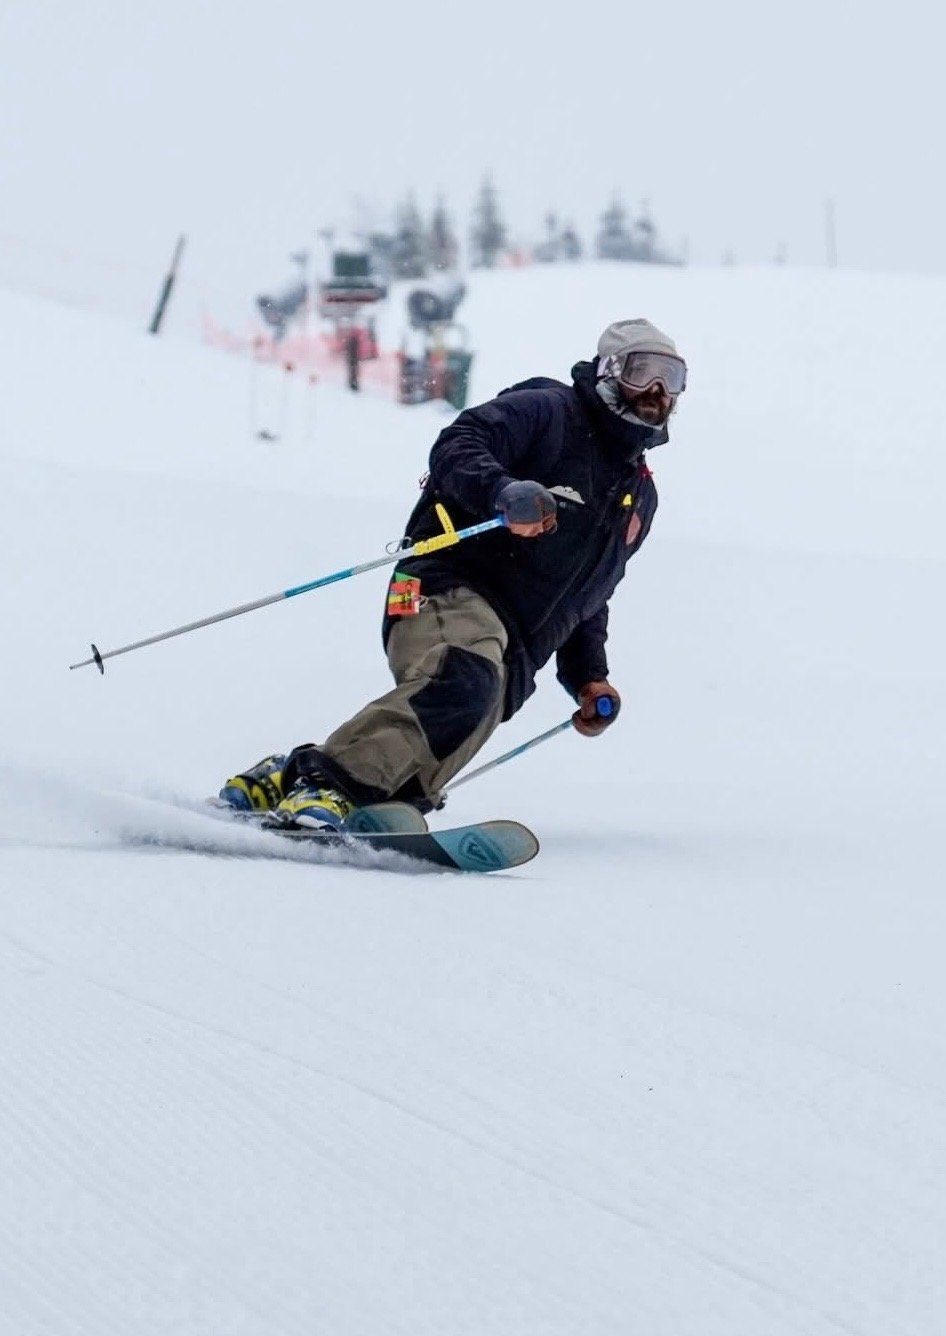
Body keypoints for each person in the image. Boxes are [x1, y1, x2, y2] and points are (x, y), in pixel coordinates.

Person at [219, 317, 688, 828]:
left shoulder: (638, 497)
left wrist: (587, 678)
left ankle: (292, 781)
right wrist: (503, 490)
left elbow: (589, 595)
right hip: (446, 586)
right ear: (611, 370)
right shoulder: (550, 412)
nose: (658, 391)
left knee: (442, 739)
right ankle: (329, 786)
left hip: (514, 652)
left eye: (673, 378)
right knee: (464, 679)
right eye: (645, 372)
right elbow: (459, 443)